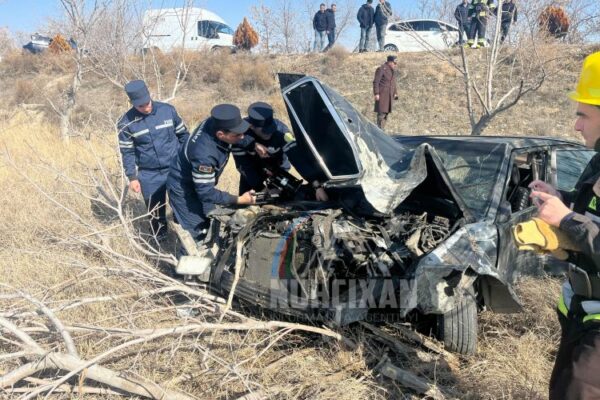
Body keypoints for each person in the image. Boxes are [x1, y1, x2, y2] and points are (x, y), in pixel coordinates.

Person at [527, 51, 600, 400]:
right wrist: (564, 199)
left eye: (583, 114)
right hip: (580, 313)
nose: (576, 126)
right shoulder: (598, 162)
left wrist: (567, 219)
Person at [167, 104, 256, 240]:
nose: (242, 137)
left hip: (199, 183)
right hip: (184, 191)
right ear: (220, 134)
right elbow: (206, 193)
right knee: (198, 233)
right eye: (237, 134)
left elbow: (238, 138)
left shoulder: (215, 121)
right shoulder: (204, 155)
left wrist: (253, 145)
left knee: (210, 220)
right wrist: (240, 199)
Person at [117, 79, 189, 239]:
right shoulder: (126, 123)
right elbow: (127, 152)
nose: (146, 108)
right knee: (155, 210)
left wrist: (187, 161)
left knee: (182, 204)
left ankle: (184, 236)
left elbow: (184, 136)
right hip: (149, 174)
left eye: (147, 103)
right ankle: (160, 239)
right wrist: (132, 177)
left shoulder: (168, 111)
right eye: (141, 106)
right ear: (132, 103)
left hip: (175, 168)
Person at [233, 102, 329, 202]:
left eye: (271, 129)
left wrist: (317, 186)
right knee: (248, 203)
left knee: (288, 198)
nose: (269, 133)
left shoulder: (282, 131)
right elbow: (243, 166)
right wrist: (262, 189)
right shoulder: (238, 135)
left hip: (278, 170)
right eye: (265, 131)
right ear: (251, 126)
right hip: (251, 173)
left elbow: (298, 158)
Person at [373, 55, 398, 130]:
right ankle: (379, 130)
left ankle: (382, 130)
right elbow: (376, 82)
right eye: (394, 63)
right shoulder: (381, 69)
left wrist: (395, 93)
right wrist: (376, 93)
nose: (395, 64)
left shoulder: (392, 71)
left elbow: (393, 83)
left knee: (386, 114)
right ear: (390, 62)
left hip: (389, 95)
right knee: (381, 113)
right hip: (382, 95)